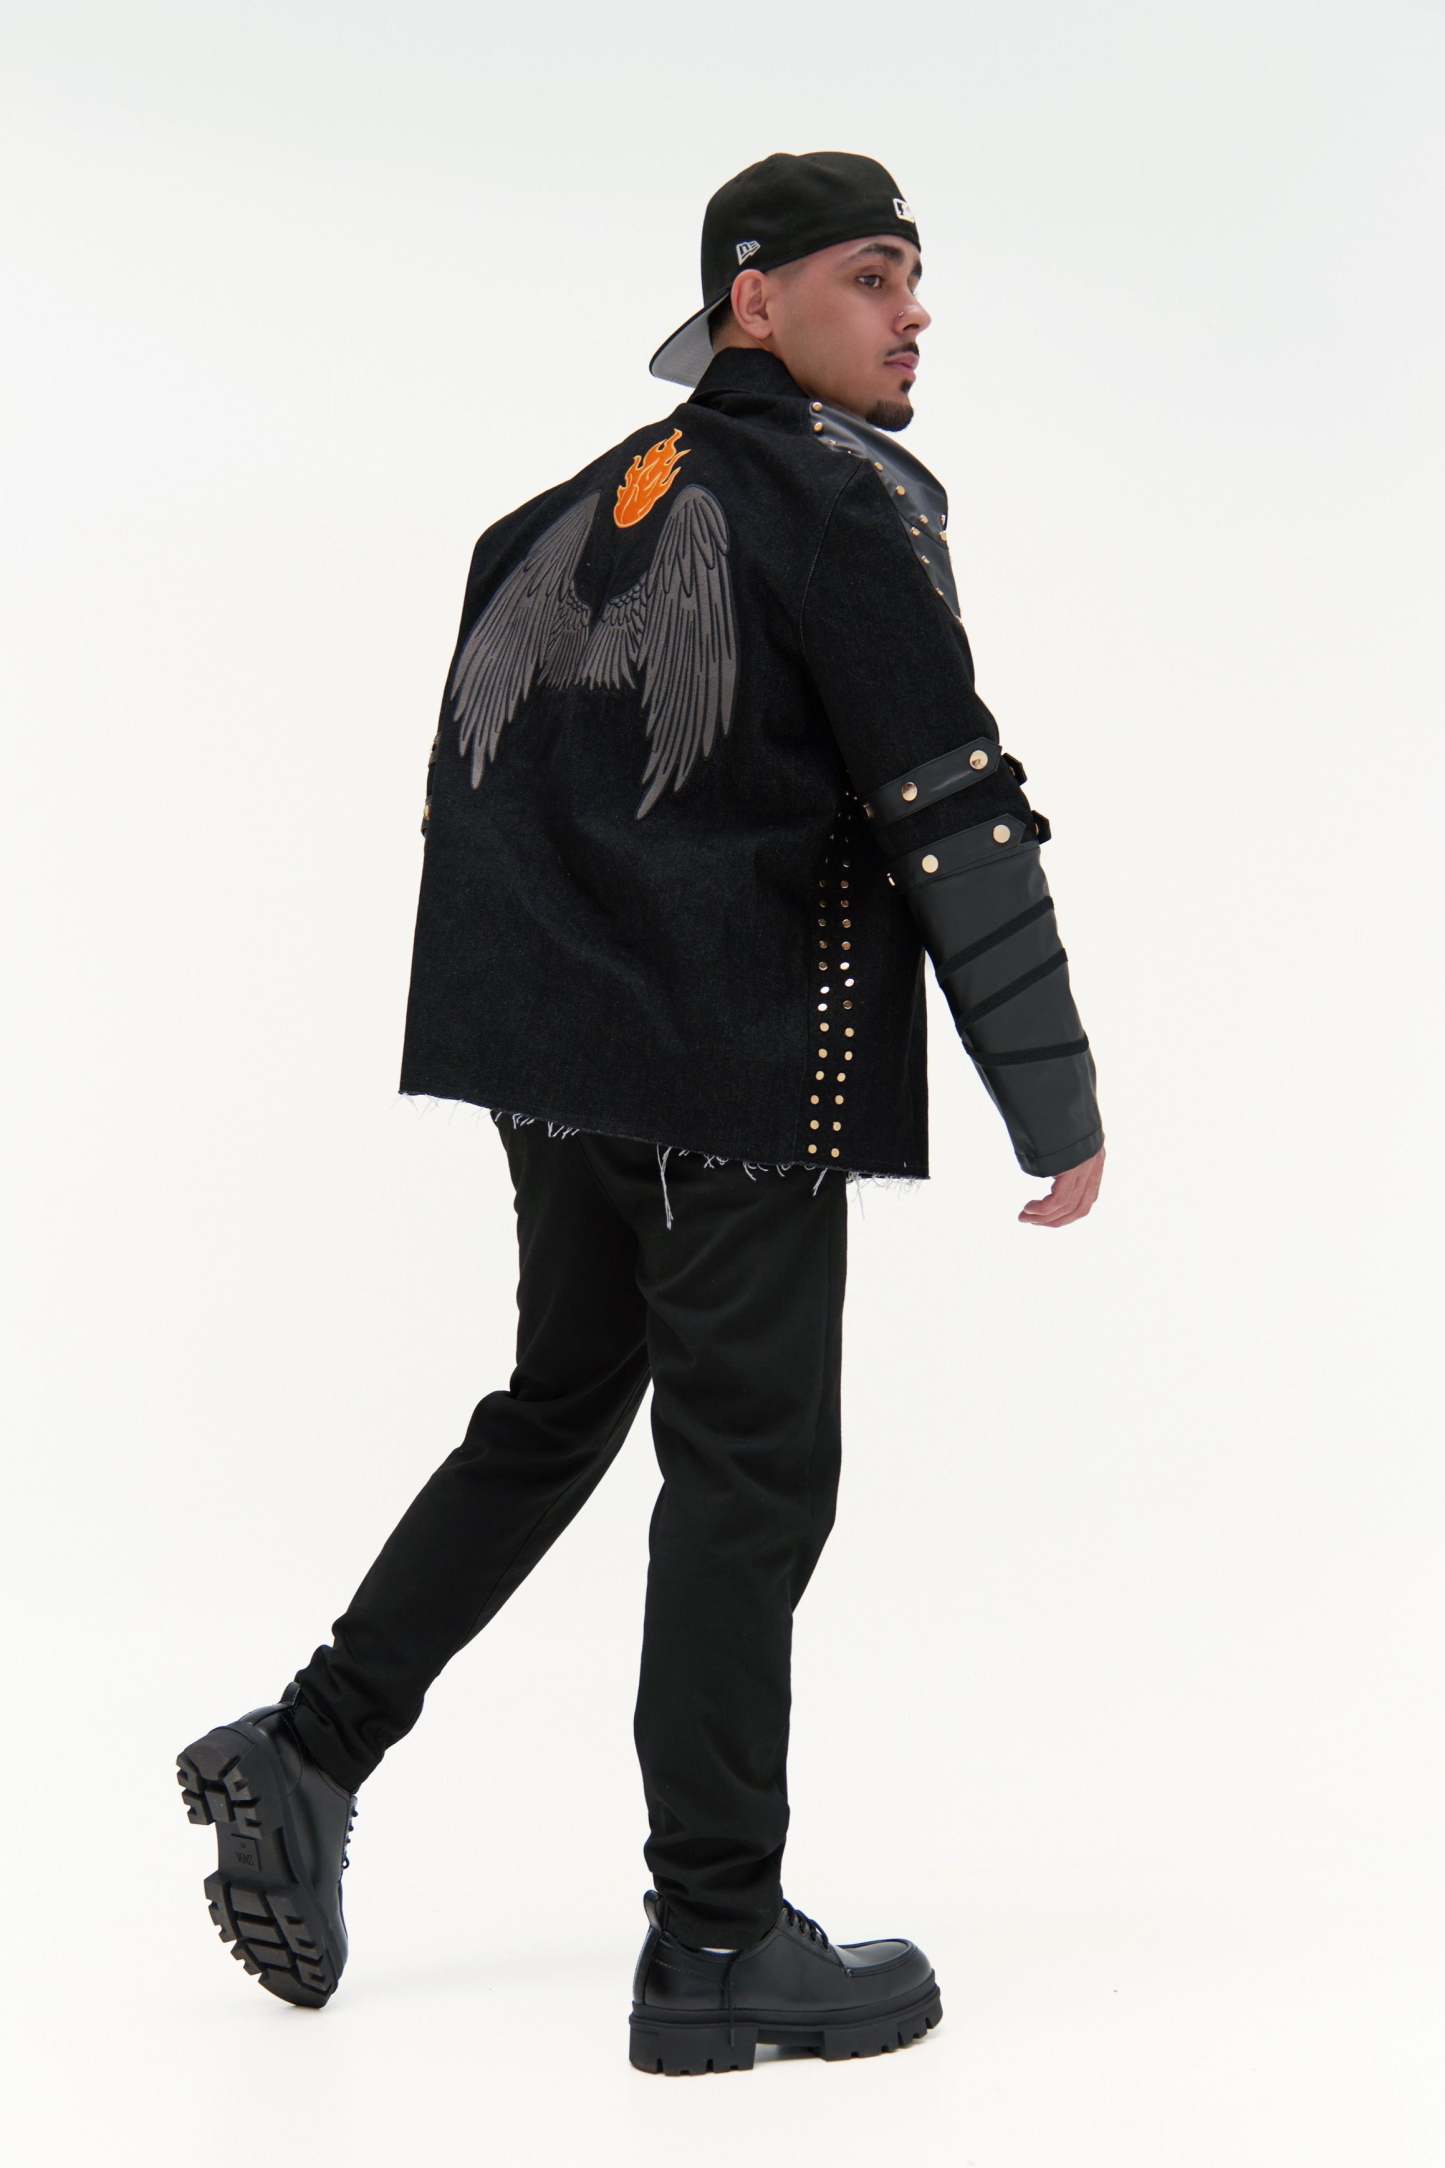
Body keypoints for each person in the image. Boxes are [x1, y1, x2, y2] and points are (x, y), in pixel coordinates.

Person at [176, 148, 1105, 2076]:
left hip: (560, 1068)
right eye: (872, 275)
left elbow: (470, 808)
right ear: (754, 299)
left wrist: (539, 1061)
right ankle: (717, 1937)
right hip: (731, 1074)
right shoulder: (836, 506)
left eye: (913, 277)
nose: (914, 312)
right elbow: (944, 805)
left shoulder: (540, 521)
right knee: (749, 1483)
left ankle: (309, 1747)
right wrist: (1053, 1093)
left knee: (557, 1408)